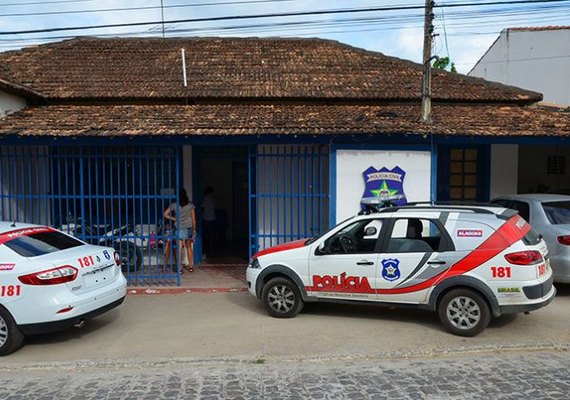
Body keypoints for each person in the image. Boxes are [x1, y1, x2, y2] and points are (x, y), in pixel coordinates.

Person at [164, 189, 196, 273]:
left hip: (179, 228)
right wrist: (194, 230)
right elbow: (193, 220)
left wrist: (174, 218)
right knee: (189, 247)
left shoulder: (174, 205)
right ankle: (191, 266)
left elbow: (165, 214)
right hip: (188, 227)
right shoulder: (190, 205)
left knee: (179, 248)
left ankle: (180, 268)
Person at [202, 186, 216, 257]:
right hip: (212, 218)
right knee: (211, 234)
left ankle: (205, 248)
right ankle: (211, 248)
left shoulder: (205, 199)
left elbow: (202, 207)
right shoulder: (213, 199)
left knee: (205, 234)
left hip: (206, 218)